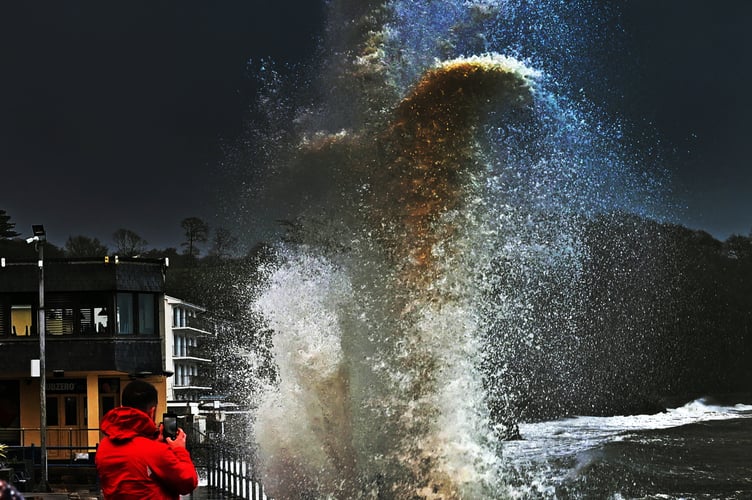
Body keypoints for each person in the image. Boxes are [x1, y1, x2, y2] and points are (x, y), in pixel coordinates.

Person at [96, 380, 198, 499]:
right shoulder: (156, 451)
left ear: (123, 407)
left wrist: (153, 442)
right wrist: (179, 449)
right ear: (152, 411)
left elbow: (134, 458)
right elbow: (188, 482)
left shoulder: (103, 447)